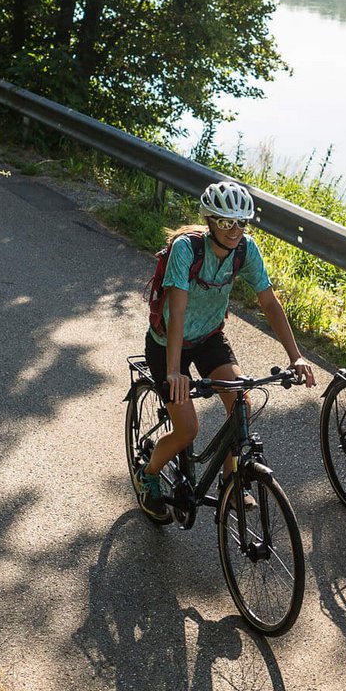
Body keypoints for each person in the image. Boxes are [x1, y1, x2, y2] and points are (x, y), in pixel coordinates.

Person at [134, 180, 316, 519]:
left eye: (241, 222)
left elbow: (269, 301)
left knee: (241, 406)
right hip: (167, 345)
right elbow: (178, 311)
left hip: (209, 339)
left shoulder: (245, 250)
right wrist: (175, 371)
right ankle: (149, 474)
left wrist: (296, 355)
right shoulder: (186, 250)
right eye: (225, 222)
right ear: (210, 221)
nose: (235, 230)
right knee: (187, 429)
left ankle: (232, 482)